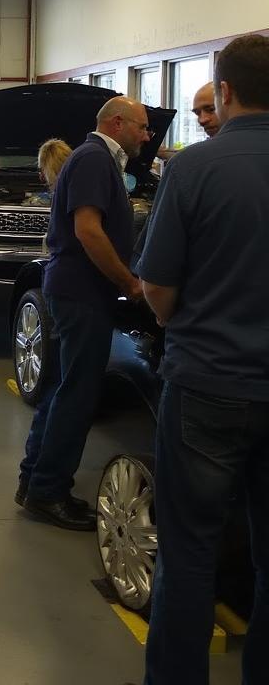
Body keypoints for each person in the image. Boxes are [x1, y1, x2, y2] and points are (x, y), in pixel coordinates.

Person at [138, 34, 269, 685]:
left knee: (189, 552)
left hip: (207, 384)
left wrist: (181, 321)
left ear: (226, 90)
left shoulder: (194, 168)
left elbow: (157, 285)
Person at [18, 96, 151, 530]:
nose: (147, 136)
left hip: (73, 290)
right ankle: (49, 490)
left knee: (62, 386)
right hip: (82, 293)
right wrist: (128, 282)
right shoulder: (95, 159)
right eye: (142, 128)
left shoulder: (94, 159)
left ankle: (34, 481)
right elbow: (88, 230)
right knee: (78, 393)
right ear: (118, 123)